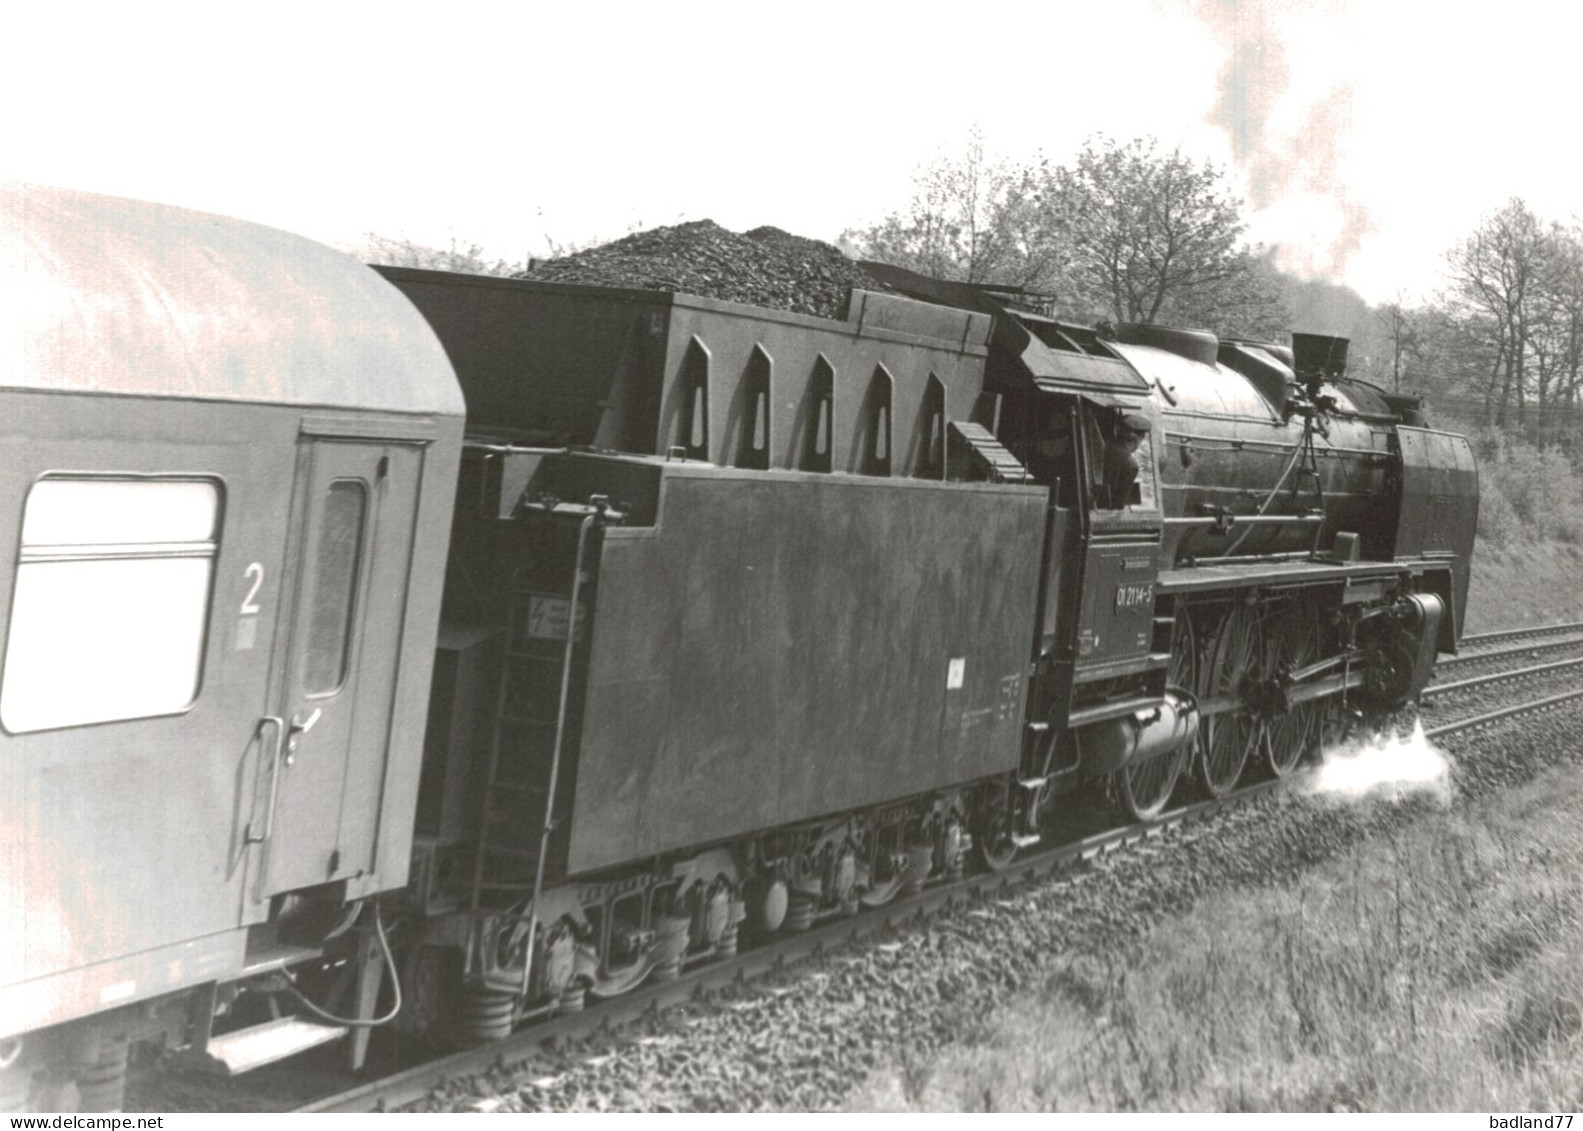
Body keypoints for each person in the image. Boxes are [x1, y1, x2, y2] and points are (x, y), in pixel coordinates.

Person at [1101, 411, 1152, 508]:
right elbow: (1118, 505)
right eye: (1141, 440)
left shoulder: (1103, 446)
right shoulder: (1130, 465)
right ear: (1135, 439)